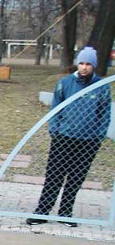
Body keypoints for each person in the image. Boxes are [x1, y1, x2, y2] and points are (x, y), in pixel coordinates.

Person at [26, 47, 111, 227]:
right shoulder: (65, 83)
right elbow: (55, 109)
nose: (84, 67)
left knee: (76, 178)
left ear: (94, 66)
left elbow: (104, 114)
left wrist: (98, 136)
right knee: (54, 176)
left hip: (88, 141)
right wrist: (55, 130)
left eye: (88, 64)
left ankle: (65, 212)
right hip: (63, 137)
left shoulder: (102, 87)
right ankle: (42, 211)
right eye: (81, 63)